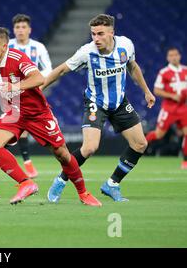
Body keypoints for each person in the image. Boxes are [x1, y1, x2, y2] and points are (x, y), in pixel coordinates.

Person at [0, 26, 101, 206]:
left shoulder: (17, 58)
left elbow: (38, 79)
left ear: (4, 46)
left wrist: (14, 87)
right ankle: (26, 183)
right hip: (16, 112)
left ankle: (83, 193)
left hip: (38, 114)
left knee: (63, 155)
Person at [44, 14, 155, 202]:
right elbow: (61, 69)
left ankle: (112, 185)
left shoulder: (125, 45)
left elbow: (133, 66)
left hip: (120, 103)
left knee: (140, 144)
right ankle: (61, 180)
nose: (96, 38)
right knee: (89, 148)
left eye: (100, 34)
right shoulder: (86, 52)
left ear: (112, 32)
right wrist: (38, 88)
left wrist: (146, 91)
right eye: (93, 34)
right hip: (96, 103)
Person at [0, 14, 53, 179]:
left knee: (21, 127)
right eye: (17, 27)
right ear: (13, 30)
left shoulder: (38, 47)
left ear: (29, 30)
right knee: (19, 126)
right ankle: (25, 162)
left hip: (30, 91)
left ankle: (2, 150)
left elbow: (48, 69)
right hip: (11, 92)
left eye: (23, 27)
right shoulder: (8, 46)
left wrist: (37, 84)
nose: (20, 30)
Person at [145, 47, 187, 169]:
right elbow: (156, 90)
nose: (174, 57)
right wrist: (172, 95)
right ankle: (139, 146)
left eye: (176, 55)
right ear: (168, 58)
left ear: (179, 56)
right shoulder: (164, 72)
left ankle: (185, 161)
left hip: (183, 108)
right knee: (159, 134)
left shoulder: (185, 70)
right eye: (171, 55)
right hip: (169, 108)